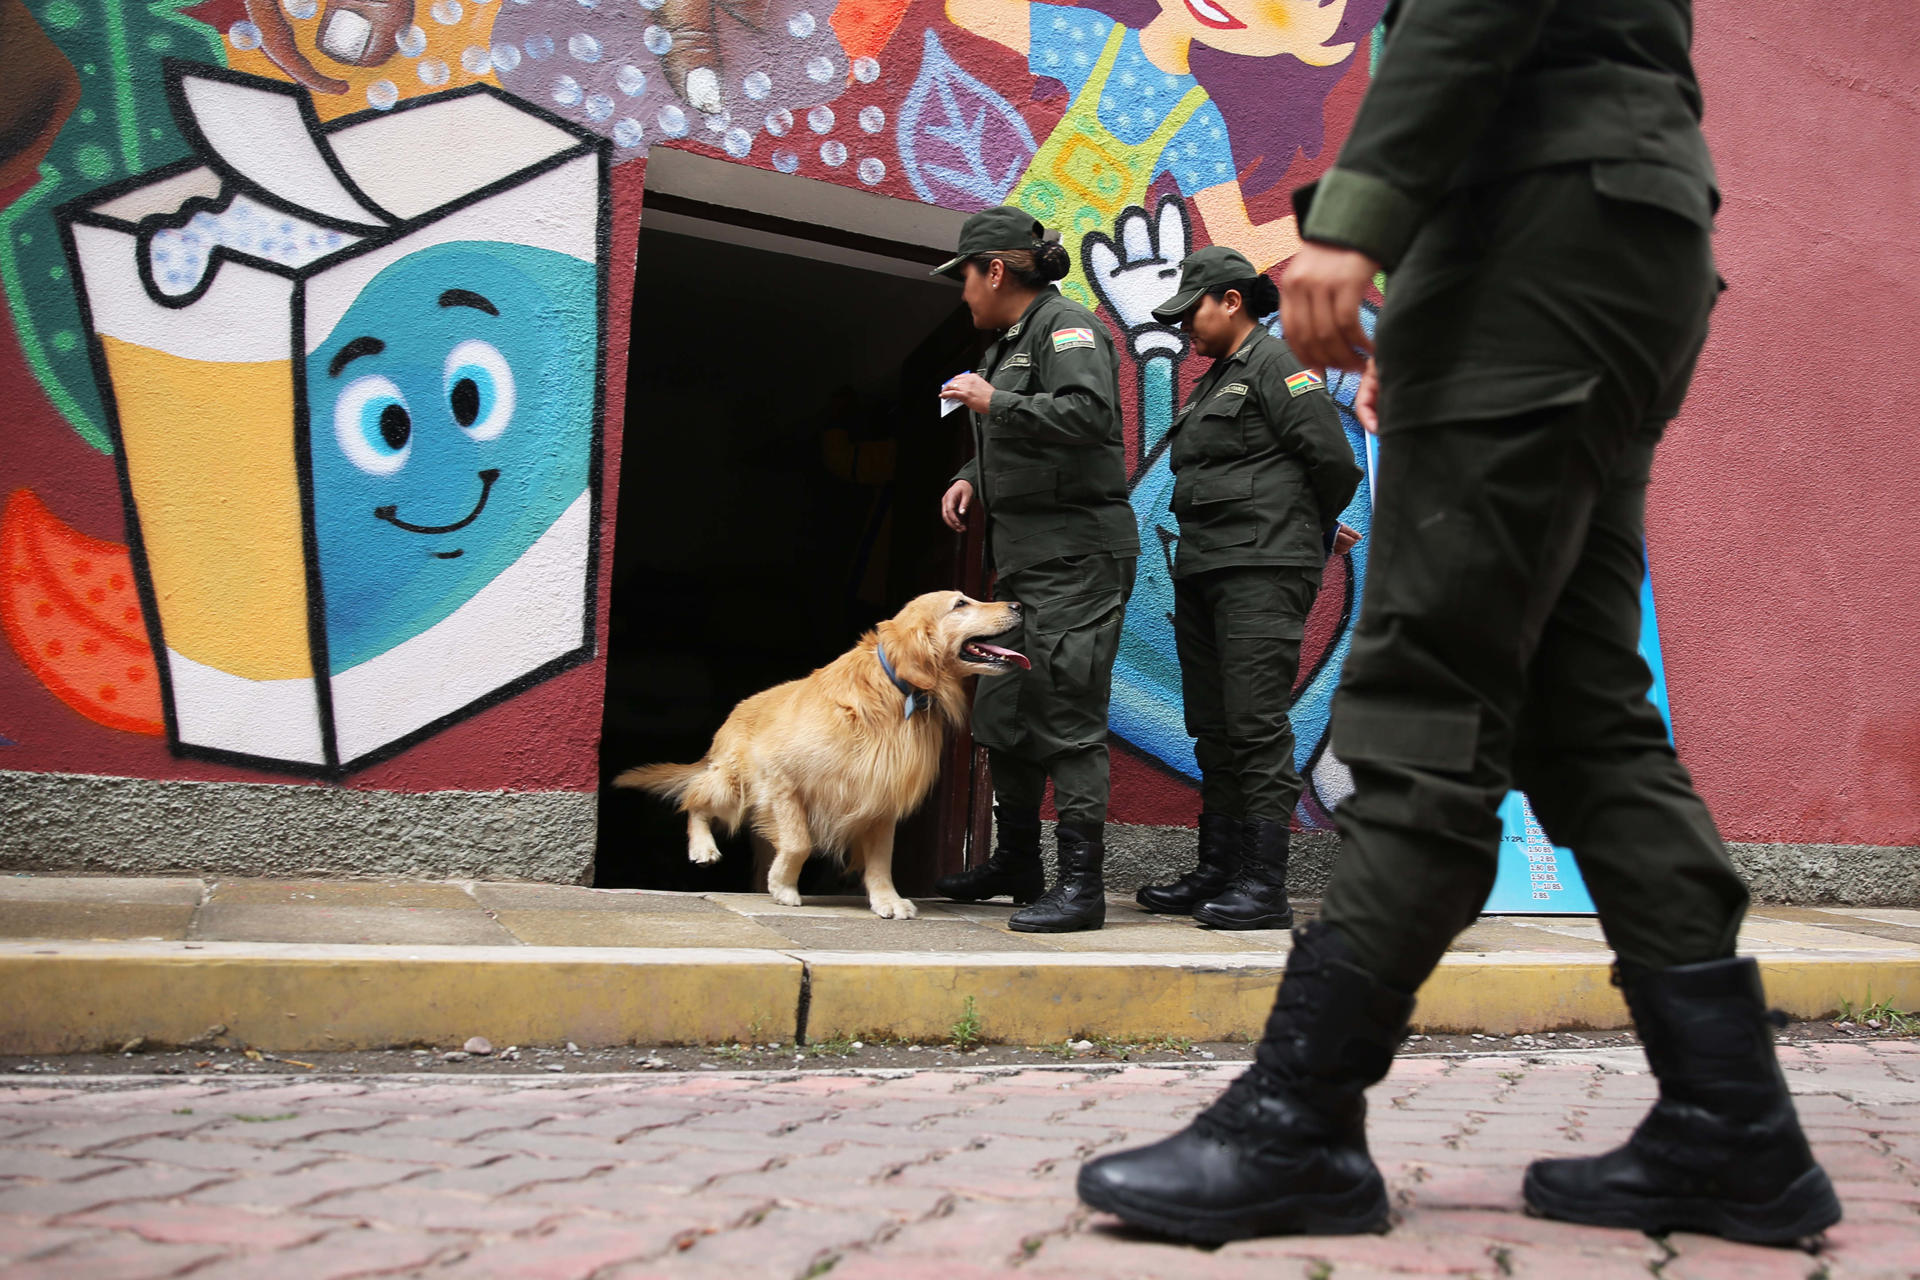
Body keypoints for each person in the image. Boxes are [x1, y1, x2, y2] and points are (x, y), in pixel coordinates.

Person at [1077, 0, 1841, 1248]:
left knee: (1427, 695)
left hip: (1537, 243)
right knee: (1580, 713)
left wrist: (1365, 223)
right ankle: (1732, 1125)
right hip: (1608, 246)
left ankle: (1299, 1120)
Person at [1132, 246, 1361, 930]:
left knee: (1256, 724)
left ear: (1231, 301)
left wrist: (1300, 538)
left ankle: (1263, 886)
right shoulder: (1215, 381)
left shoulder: (1277, 367)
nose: (1184, 329)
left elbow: (1335, 465)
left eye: (1191, 312)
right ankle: (1218, 870)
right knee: (1214, 724)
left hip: (1261, 572)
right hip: (1205, 569)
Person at [930, 206, 1139, 934]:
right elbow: (1018, 441)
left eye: (964, 275)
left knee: (1067, 713)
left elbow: (1088, 416)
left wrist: (997, 401)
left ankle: (1082, 888)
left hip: (1078, 556)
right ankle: (1019, 863)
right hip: (1026, 564)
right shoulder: (1005, 346)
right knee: (1006, 708)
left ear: (994, 270)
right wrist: (970, 475)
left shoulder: (1066, 326)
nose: (961, 292)